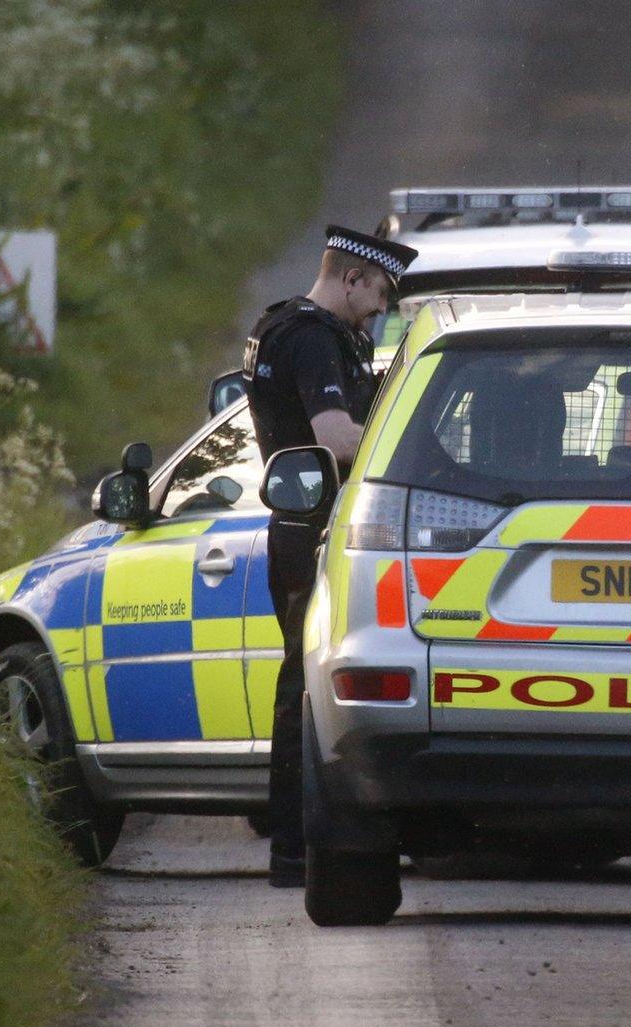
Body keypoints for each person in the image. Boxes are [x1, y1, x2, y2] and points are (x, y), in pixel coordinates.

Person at [244, 225, 416, 888]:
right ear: (350, 279)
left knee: (301, 685)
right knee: (307, 690)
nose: (378, 309)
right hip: (313, 529)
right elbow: (338, 439)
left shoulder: (281, 324)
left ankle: (290, 841)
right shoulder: (315, 338)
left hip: (293, 522)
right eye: (377, 294)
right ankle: (292, 848)